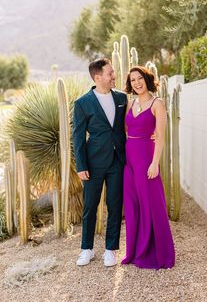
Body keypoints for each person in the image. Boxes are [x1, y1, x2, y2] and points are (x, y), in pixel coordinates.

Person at [72, 58, 127, 267]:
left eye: (113, 73)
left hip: (117, 162)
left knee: (114, 206)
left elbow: (125, 127)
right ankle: (87, 249)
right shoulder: (82, 103)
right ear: (97, 77)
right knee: (90, 207)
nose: (114, 76)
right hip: (93, 164)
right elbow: (77, 137)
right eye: (110, 73)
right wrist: (81, 166)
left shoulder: (121, 98)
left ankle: (110, 250)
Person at [121, 66, 175, 269]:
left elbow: (160, 135)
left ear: (147, 79)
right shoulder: (130, 104)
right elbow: (127, 130)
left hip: (146, 159)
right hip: (129, 161)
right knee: (133, 206)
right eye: (133, 80)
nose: (137, 82)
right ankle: (134, 252)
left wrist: (154, 162)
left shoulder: (157, 103)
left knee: (151, 204)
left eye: (140, 78)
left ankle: (160, 253)